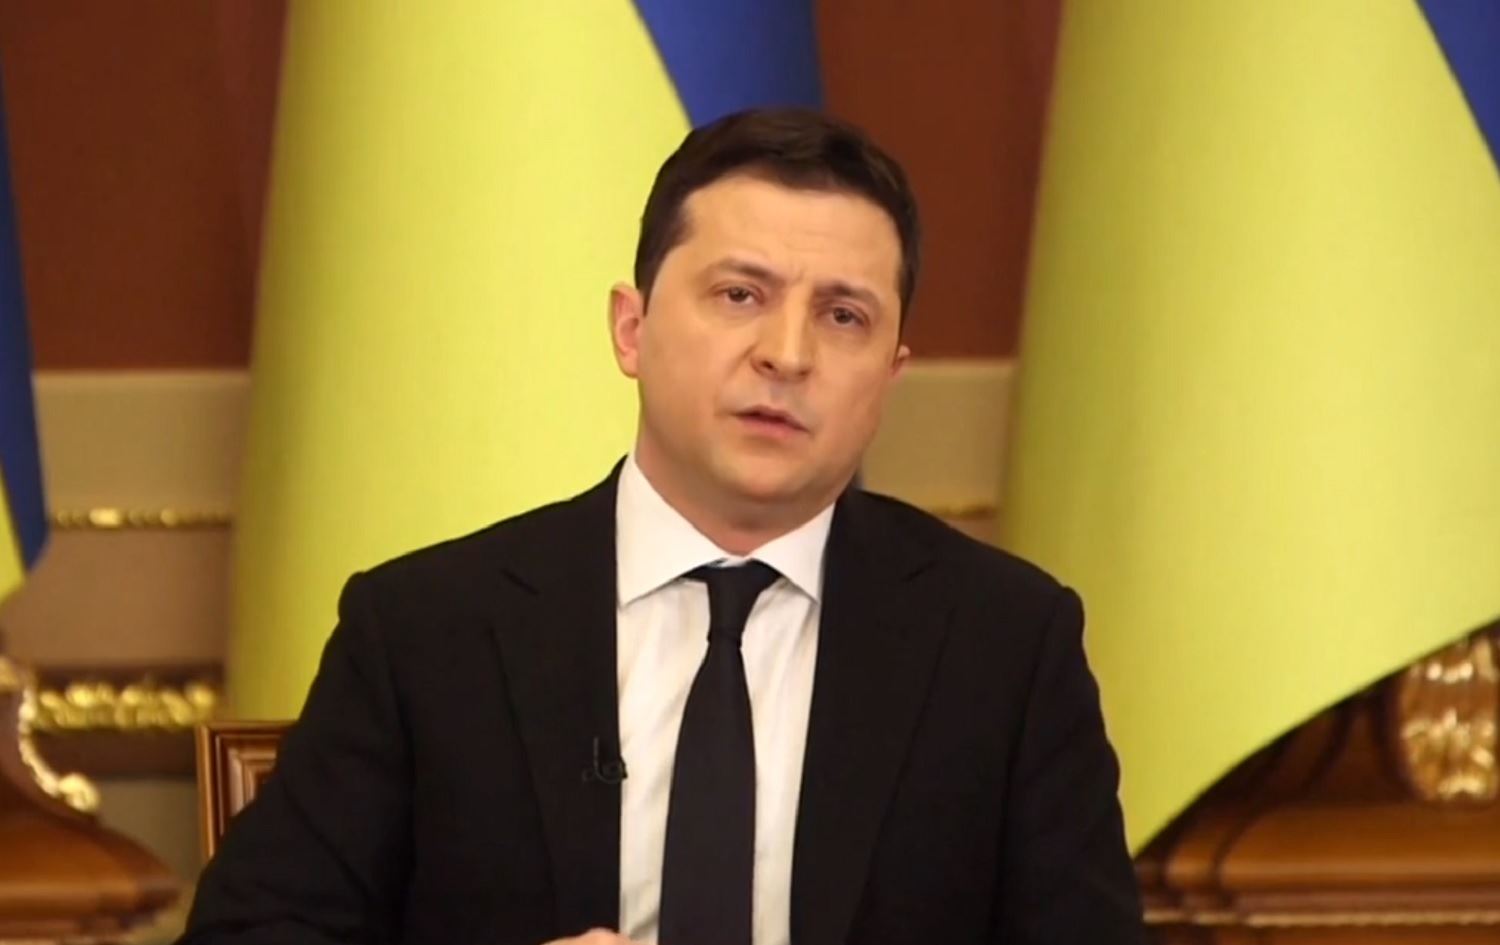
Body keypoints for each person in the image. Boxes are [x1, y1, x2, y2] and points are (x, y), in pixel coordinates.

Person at [180, 108, 1145, 945]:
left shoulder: (1004, 646)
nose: (787, 354)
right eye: (740, 295)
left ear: (891, 373)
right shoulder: (426, 631)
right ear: (631, 329)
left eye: (844, 316)